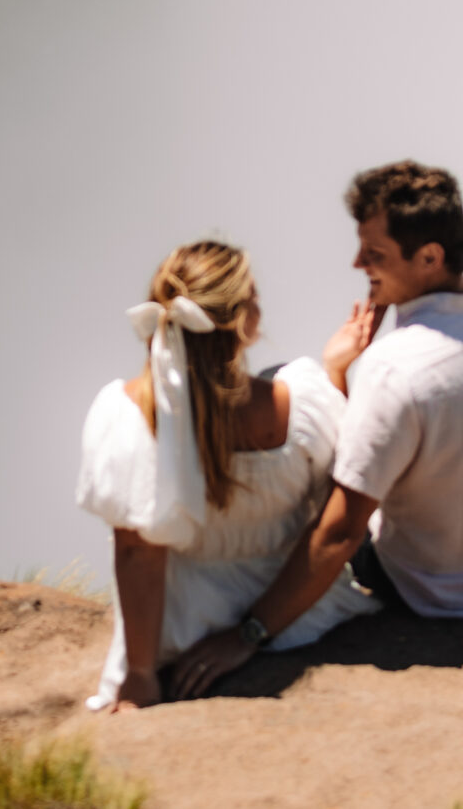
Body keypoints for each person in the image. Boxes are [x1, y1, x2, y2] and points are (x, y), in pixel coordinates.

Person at [165, 160, 463, 698]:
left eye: (374, 255)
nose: (358, 263)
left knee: (281, 385)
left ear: (430, 257)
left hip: (435, 596)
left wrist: (249, 634)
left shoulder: (396, 369)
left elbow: (340, 531)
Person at [73, 238, 378, 710]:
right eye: (253, 296)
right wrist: (335, 372)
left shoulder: (129, 414)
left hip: (182, 628)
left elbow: (138, 554)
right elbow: (333, 513)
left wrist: (139, 673)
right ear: (243, 324)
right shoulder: (300, 402)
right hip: (302, 619)